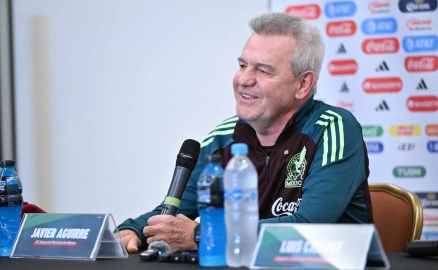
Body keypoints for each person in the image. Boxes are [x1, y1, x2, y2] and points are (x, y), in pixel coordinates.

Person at [117, 12, 372, 253]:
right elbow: (173, 211)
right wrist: (134, 229)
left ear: (303, 84)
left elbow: (307, 230)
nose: (244, 79)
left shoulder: (333, 128)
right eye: (242, 65)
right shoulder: (222, 137)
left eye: (263, 70)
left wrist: (202, 234)